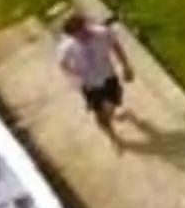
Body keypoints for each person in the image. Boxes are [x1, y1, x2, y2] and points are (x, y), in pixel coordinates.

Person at [56, 11, 133, 146]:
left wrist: (126, 66)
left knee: (113, 103)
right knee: (101, 114)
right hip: (90, 83)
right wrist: (76, 75)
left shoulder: (102, 33)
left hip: (108, 75)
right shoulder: (67, 47)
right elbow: (62, 64)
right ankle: (112, 135)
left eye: (81, 28)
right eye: (76, 33)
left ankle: (111, 113)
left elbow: (116, 46)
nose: (81, 34)